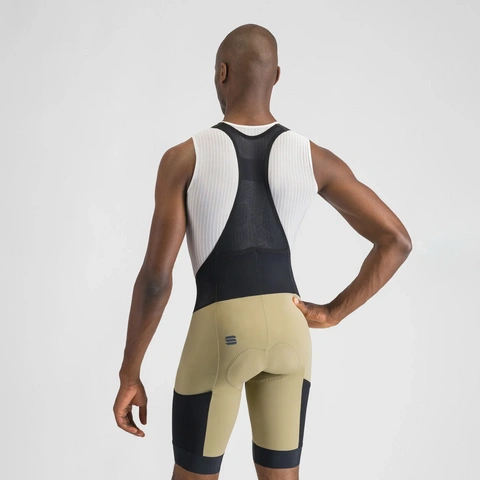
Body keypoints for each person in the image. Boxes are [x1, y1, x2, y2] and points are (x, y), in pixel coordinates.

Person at [113, 23, 412, 480]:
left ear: (222, 73)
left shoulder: (185, 157)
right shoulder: (314, 157)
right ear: (276, 76)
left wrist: (129, 373)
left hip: (221, 327)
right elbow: (396, 240)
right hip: (292, 330)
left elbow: (156, 279)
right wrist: (332, 313)